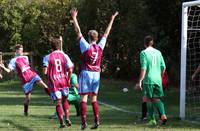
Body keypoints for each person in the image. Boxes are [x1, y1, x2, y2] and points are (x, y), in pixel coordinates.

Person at [70, 7, 118, 130]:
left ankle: (84, 122)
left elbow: (78, 32)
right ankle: (97, 120)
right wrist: (112, 19)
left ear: (89, 37)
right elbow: (107, 33)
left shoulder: (85, 46)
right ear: (97, 38)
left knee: (84, 98)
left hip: (86, 73)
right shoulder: (100, 46)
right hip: (96, 74)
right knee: (94, 99)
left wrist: (74, 18)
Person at [0, 44, 49, 116]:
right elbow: (9, 71)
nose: (22, 51)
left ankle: (55, 99)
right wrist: (3, 67)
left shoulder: (25, 57)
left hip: (33, 75)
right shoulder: (13, 60)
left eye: (22, 50)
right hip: (26, 80)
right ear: (16, 51)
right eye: (20, 50)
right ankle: (25, 112)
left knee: (45, 86)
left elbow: (27, 67)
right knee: (28, 99)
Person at [135, 35, 167, 126]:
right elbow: (163, 67)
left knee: (148, 99)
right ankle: (163, 116)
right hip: (158, 79)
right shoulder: (158, 52)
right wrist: (159, 77)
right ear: (152, 43)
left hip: (149, 80)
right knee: (156, 98)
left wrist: (140, 81)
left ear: (144, 43)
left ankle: (152, 120)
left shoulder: (144, 53)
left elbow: (144, 68)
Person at [43, 37, 74, 128]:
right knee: (65, 100)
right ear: (59, 46)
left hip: (54, 82)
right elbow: (71, 69)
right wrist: (68, 79)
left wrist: (48, 79)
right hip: (64, 81)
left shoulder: (47, 57)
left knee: (58, 102)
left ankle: (61, 122)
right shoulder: (64, 55)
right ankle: (67, 117)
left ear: (51, 47)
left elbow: (45, 71)